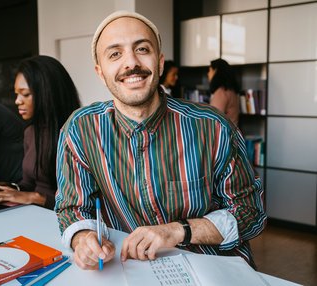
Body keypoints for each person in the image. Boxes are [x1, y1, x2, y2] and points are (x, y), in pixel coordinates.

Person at [55, 11, 266, 270]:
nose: (131, 63)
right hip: (136, 270)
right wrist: (82, 238)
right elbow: (72, 208)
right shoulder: (81, 129)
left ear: (161, 62)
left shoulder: (213, 127)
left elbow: (250, 213)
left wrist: (178, 231)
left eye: (142, 49)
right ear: (100, 72)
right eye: (115, 54)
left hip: (215, 267)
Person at [0, 55, 80, 210]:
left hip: (63, 220)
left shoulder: (77, 133)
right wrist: (6, 188)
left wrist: (35, 197)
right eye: (17, 93)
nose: (17, 101)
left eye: (25, 94)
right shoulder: (31, 132)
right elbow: (29, 184)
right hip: (34, 213)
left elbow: (83, 200)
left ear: (48, 93)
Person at [208, 58, 240, 125]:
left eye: (210, 70)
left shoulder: (222, 92)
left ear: (216, 71)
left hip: (223, 133)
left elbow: (213, 120)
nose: (208, 74)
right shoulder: (231, 91)